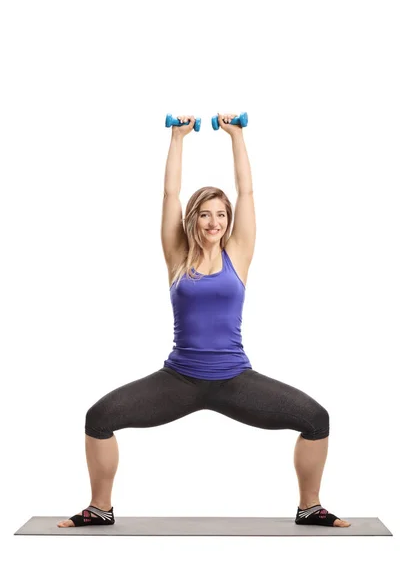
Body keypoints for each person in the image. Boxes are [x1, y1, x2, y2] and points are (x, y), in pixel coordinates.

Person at [58, 114, 350, 528]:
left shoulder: (239, 255)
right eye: (204, 215)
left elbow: (246, 191)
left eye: (221, 215)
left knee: (316, 419)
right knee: (99, 418)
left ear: (229, 222)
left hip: (235, 380)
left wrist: (237, 136)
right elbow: (170, 192)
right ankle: (99, 508)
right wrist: (177, 138)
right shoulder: (177, 256)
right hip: (179, 380)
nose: (214, 223)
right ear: (193, 218)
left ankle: (310, 507)